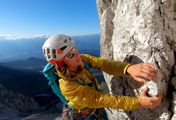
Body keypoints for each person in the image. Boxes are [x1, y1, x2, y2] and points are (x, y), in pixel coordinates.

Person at [42, 34, 162, 120]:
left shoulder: (83, 59)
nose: (78, 56)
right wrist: (138, 102)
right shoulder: (67, 86)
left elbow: (104, 64)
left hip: (92, 105)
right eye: (71, 55)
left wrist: (128, 69)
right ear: (61, 64)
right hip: (83, 114)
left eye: (75, 50)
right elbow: (101, 99)